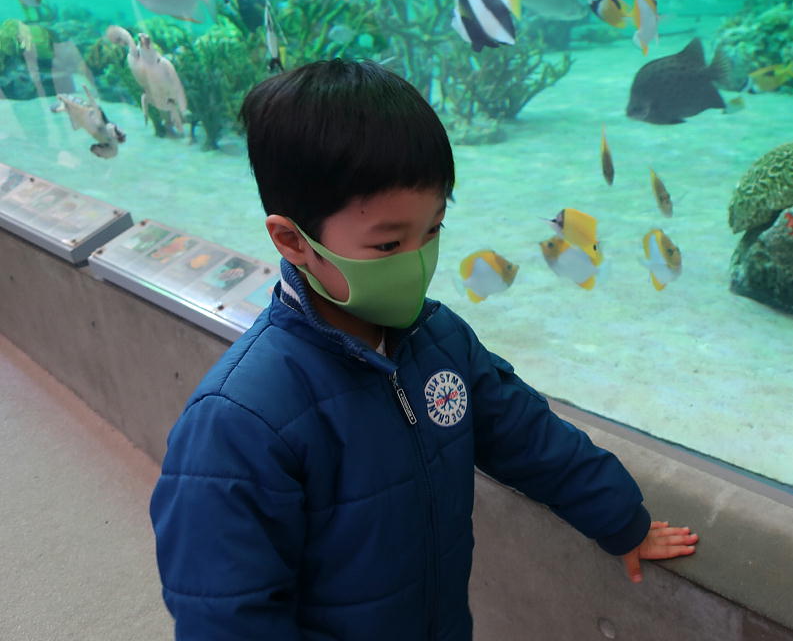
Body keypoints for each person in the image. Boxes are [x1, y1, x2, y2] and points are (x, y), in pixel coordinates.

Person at [149, 59, 698, 640]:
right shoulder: (239, 421)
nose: (417, 261)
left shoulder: (440, 338)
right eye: (389, 244)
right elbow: (226, 611)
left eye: (432, 230)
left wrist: (620, 517)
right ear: (293, 240)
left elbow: (527, 435)